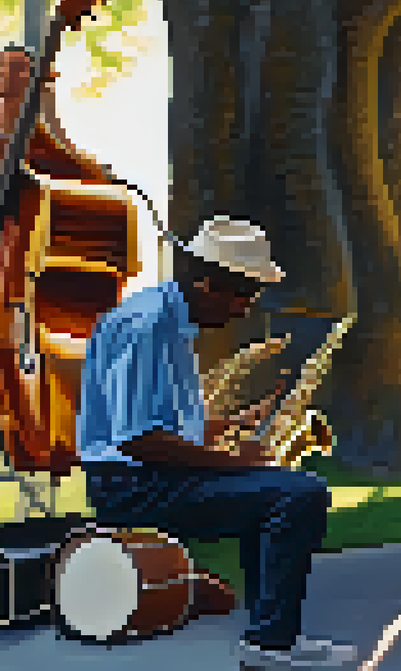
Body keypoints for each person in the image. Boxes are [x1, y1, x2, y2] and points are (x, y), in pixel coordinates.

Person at [77, 215, 356, 670]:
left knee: (272, 493)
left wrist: (230, 424)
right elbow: (138, 441)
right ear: (208, 283)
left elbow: (154, 424)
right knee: (300, 492)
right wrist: (231, 462)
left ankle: (270, 632)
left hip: (147, 474)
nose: (245, 309)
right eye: (243, 295)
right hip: (129, 485)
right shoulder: (149, 328)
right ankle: (271, 641)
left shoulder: (166, 317)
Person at [0, 43, 114, 486]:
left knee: (50, 349)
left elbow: (87, 183)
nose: (9, 78)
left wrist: (48, 123)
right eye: (4, 69)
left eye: (22, 72)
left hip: (43, 262)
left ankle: (68, 438)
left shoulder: (46, 135)